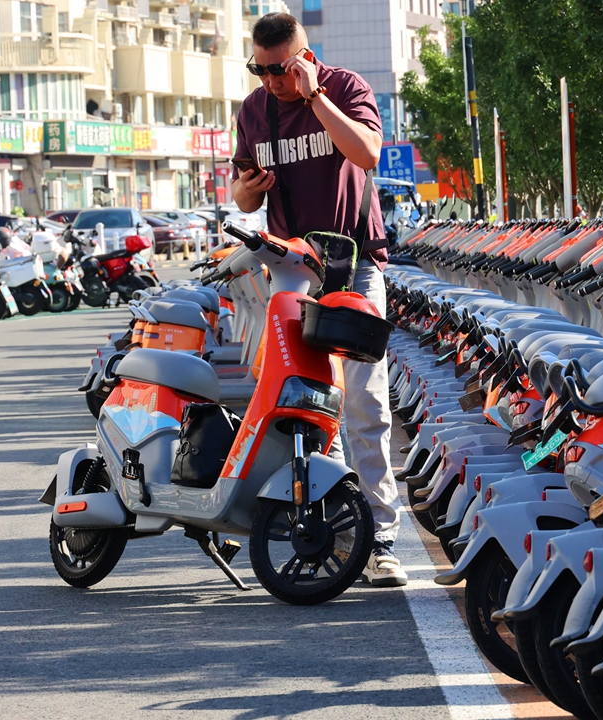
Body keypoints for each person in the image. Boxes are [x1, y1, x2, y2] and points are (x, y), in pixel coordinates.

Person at [230, 12, 407, 587]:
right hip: (290, 269)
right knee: (286, 398)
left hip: (352, 266)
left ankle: (380, 537)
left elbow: (368, 154)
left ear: (304, 56)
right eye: (258, 70)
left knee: (364, 403)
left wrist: (316, 101)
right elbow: (242, 194)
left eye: (278, 70)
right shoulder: (253, 110)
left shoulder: (347, 88)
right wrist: (245, 192)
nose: (269, 82)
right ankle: (288, 516)